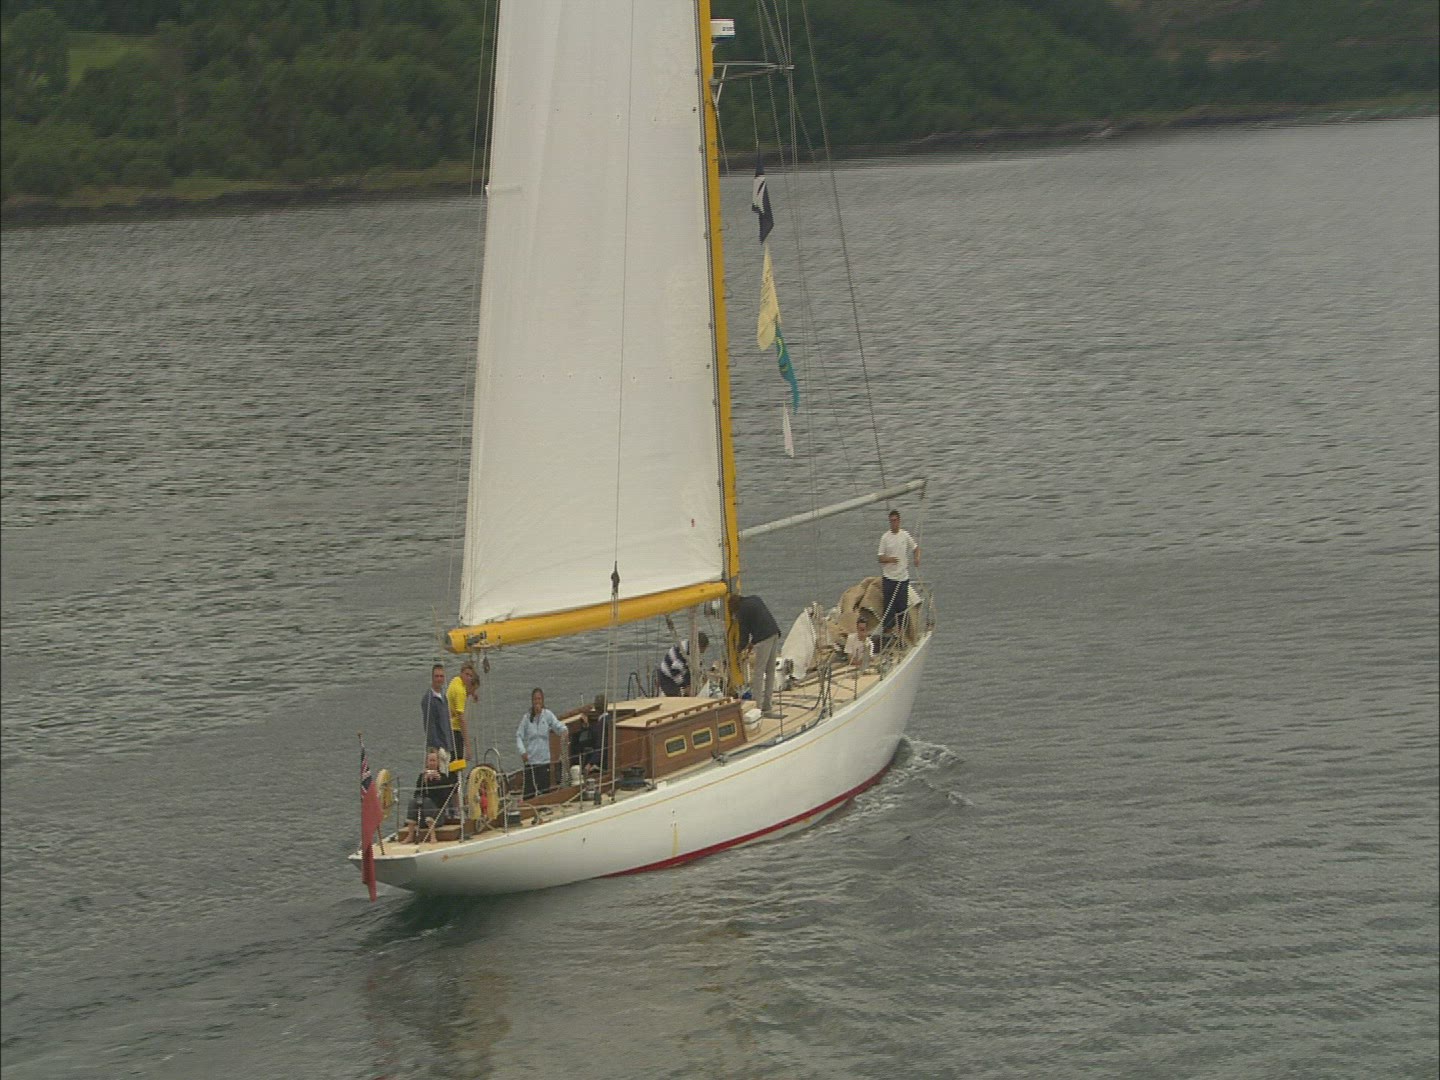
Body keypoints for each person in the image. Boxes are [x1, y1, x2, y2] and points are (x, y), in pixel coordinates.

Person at [730, 594, 781, 718]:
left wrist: (738, 651)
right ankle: (767, 706)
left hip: (764, 638)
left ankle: (757, 706)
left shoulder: (741, 612)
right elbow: (759, 622)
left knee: (759, 672)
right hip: (774, 632)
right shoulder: (754, 599)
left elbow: (744, 634)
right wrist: (752, 643)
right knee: (770, 671)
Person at [516, 687, 568, 798]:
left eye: (539, 699)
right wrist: (522, 751)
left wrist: (564, 730)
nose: (537, 701)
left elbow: (557, 726)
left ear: (542, 700)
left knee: (544, 792)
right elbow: (519, 735)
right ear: (532, 701)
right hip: (531, 762)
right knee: (528, 794)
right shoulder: (526, 718)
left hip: (544, 762)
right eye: (535, 699)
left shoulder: (547, 715)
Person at [877, 509, 920, 638]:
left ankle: (902, 631)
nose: (893, 523)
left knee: (902, 605)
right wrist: (889, 559)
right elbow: (880, 557)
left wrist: (917, 558)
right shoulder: (885, 537)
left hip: (902, 578)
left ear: (899, 521)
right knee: (888, 605)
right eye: (891, 521)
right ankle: (888, 630)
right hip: (889, 577)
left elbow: (916, 548)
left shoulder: (905, 535)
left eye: (895, 520)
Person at [402, 750, 456, 840]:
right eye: (430, 760)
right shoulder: (422, 777)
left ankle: (432, 835)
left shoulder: (444, 778)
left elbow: (445, 798)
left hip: (437, 815)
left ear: (438, 763)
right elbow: (417, 794)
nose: (432, 763)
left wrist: (440, 781)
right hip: (422, 817)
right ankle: (410, 835)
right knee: (413, 802)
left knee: (427, 801)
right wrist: (424, 783)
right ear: (427, 763)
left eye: (434, 760)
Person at [444, 661, 478, 774]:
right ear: (461, 673)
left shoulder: (456, 680)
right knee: (457, 764)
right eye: (466, 674)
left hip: (446, 727)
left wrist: (473, 694)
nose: (468, 678)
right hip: (454, 731)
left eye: (470, 676)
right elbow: (461, 720)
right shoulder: (460, 692)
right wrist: (468, 747)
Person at [421, 663, 453, 769]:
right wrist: (437, 748)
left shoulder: (444, 697)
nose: (439, 679)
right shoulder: (428, 699)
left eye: (441, 676)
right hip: (437, 749)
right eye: (436, 676)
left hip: (447, 746)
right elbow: (430, 726)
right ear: (432, 678)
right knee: (439, 775)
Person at [576, 693, 612, 771]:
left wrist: (590, 764)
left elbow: (600, 747)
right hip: (609, 759)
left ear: (595, 708)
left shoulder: (601, 725)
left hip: (602, 763)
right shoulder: (610, 719)